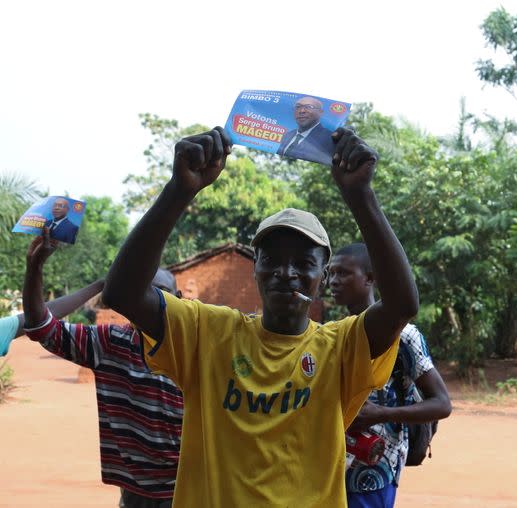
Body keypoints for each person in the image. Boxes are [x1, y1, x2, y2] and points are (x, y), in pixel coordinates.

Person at [101, 126, 419, 507]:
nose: (286, 272)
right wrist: (179, 190)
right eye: (271, 260)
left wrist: (361, 196)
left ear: (322, 277)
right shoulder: (207, 332)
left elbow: (402, 305)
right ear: (256, 270)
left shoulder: (342, 347)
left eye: (303, 263)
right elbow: (122, 292)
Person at [23, 232, 183, 508]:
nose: (150, 300)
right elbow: (41, 327)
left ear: (179, 298)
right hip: (136, 495)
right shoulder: (110, 343)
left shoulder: (197, 346)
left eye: (161, 293)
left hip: (190, 488)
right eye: (142, 291)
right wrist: (34, 268)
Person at [329, 243, 452, 507]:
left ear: (370, 279)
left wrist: (380, 413)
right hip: (333, 468)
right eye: (331, 273)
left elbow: (442, 403)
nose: (333, 281)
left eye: (343, 273)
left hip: (374, 472)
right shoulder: (336, 333)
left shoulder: (403, 336)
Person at [277, 96, 336, 165]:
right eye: (298, 107)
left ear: (320, 112)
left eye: (309, 107)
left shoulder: (330, 139)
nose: (302, 111)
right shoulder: (287, 136)